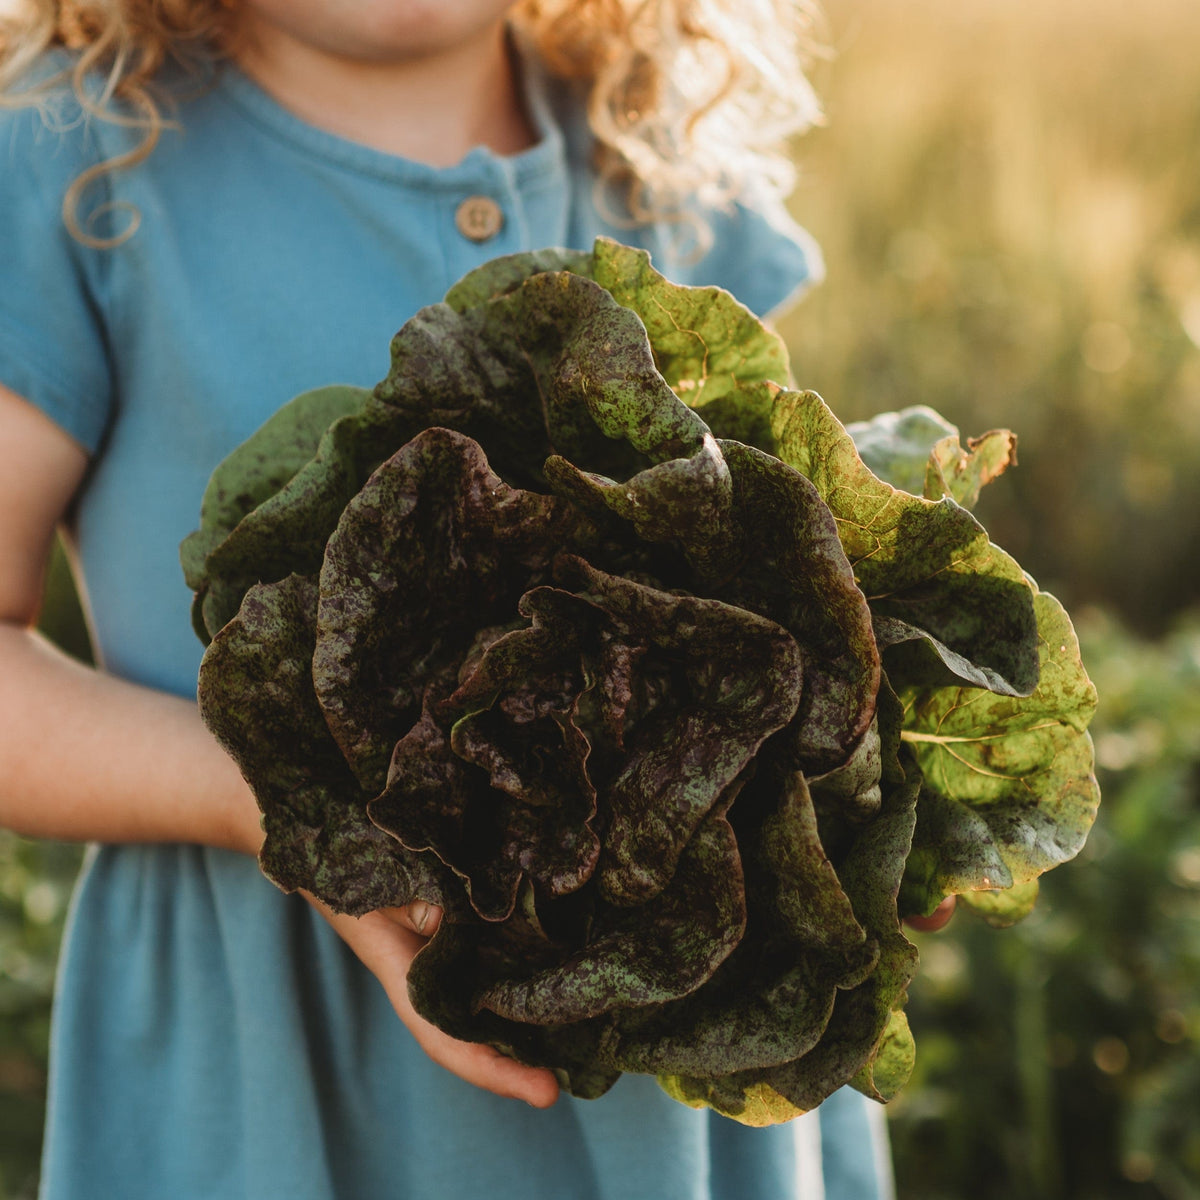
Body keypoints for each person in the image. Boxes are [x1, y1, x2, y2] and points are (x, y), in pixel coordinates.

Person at [0, 1, 923, 1196]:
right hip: (257, 1080)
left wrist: (879, 816)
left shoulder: (658, 154)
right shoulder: (75, 150)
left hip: (667, 1087)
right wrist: (261, 805)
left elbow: (795, 591)